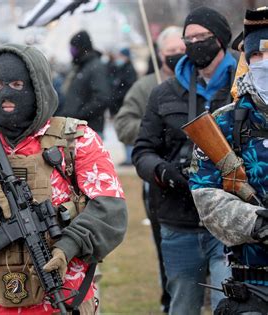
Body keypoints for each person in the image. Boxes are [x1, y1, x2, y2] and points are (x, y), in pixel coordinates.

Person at [0, 43, 127, 314]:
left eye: (17, 84)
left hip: (63, 298)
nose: (5, 94)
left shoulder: (77, 141)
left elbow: (110, 211)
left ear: (37, 88)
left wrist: (68, 246)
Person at [132, 6, 236, 315]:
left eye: (202, 37)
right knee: (182, 306)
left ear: (220, 39)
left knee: (228, 305)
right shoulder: (164, 93)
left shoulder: (241, 89)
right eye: (188, 38)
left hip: (230, 222)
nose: (194, 45)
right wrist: (163, 172)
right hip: (178, 221)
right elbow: (142, 151)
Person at [189, 7, 268, 314]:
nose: (263, 64)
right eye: (256, 57)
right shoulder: (222, 125)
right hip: (253, 284)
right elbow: (205, 195)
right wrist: (257, 223)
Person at [114, 25, 186, 313]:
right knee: (166, 242)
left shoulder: (203, 83)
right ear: (160, 55)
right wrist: (153, 131)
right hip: (158, 179)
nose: (178, 57)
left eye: (182, 51)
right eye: (172, 53)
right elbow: (123, 124)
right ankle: (170, 295)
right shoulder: (146, 87)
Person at [55, 30, 111, 137]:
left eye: (73, 48)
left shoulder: (95, 67)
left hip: (89, 129)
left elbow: (102, 98)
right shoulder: (81, 66)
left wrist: (79, 114)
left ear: (81, 47)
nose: (71, 51)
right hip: (76, 128)